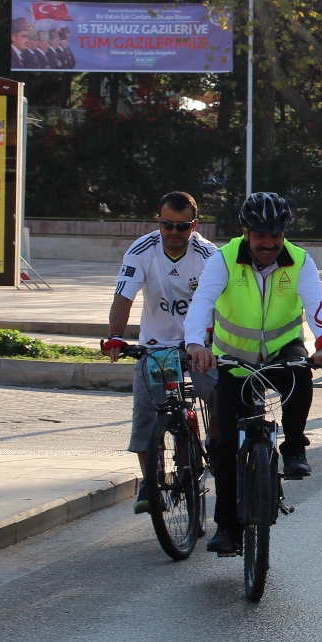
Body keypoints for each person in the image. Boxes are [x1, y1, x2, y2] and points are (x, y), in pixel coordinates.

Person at [185, 192, 322, 555]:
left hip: (283, 346)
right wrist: (195, 344)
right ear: (246, 233)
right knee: (223, 443)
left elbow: (315, 302)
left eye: (275, 236)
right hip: (232, 357)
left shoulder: (299, 260)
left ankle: (295, 448)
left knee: (301, 374)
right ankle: (226, 526)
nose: (268, 244)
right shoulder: (223, 259)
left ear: (284, 233)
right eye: (259, 236)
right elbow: (202, 302)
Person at [102, 192, 220, 514]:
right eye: (167, 224)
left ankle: (218, 447)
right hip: (157, 347)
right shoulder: (141, 250)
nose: (173, 233)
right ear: (159, 221)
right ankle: (150, 480)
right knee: (145, 412)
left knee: (221, 395)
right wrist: (115, 336)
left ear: (194, 226)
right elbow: (123, 298)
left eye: (182, 227)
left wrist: (216, 341)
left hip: (200, 345)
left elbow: (223, 305)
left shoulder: (209, 255)